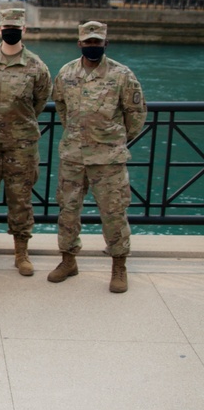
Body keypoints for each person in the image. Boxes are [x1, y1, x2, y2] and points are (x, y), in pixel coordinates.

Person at [48, 21, 146, 293]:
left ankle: (119, 266)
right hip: (73, 155)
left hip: (108, 159)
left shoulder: (122, 75)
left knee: (113, 213)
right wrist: (77, 133)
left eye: (98, 42)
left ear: (106, 44)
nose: (93, 46)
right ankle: (68, 260)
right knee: (68, 211)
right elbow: (62, 106)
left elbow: (136, 115)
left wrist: (115, 140)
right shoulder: (66, 73)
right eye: (88, 42)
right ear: (79, 44)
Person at [0, 8, 51, 275]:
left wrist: (18, 124)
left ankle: (21, 252)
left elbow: (39, 102)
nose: (11, 31)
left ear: (24, 30)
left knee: (21, 200)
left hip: (22, 145)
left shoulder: (37, 66)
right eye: (7, 27)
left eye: (16, 27)